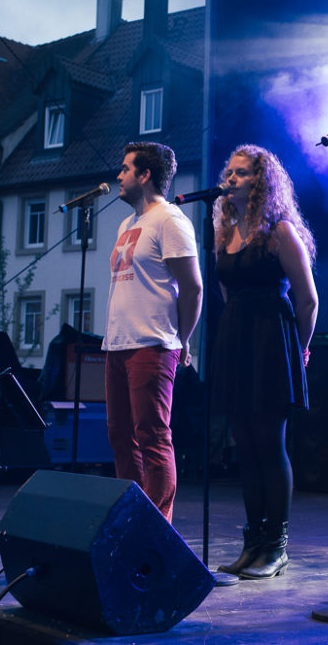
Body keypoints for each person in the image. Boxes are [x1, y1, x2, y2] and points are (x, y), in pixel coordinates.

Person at [211, 145, 318, 579]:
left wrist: (299, 350)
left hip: (272, 341)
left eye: (242, 173)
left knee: (269, 444)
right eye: (229, 171)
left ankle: (276, 545)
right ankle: (253, 542)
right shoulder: (224, 231)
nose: (231, 179)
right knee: (244, 445)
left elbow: (308, 300)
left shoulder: (279, 232)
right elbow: (226, 291)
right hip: (237, 340)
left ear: (261, 181)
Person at [102, 142, 203, 523]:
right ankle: (132, 520)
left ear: (145, 175)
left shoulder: (170, 220)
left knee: (153, 437)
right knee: (120, 437)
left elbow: (193, 288)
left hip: (153, 343)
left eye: (126, 169)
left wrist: (182, 339)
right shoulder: (126, 224)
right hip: (118, 344)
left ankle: (158, 526)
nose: (119, 176)